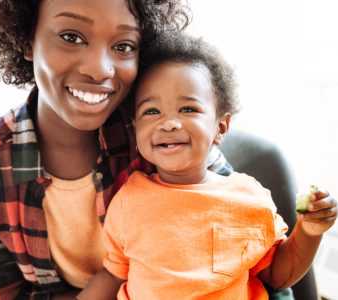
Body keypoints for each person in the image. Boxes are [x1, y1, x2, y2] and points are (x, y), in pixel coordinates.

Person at [0, 1, 194, 299]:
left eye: (123, 46)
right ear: (27, 39)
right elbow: (0, 295)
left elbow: (227, 222)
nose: (99, 69)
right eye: (71, 37)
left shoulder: (163, 133)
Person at [76, 34, 338, 300]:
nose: (169, 123)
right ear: (136, 128)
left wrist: (309, 231)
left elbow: (278, 276)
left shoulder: (247, 197)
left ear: (220, 127)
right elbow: (113, 273)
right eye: (151, 112)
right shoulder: (128, 199)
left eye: (188, 109)